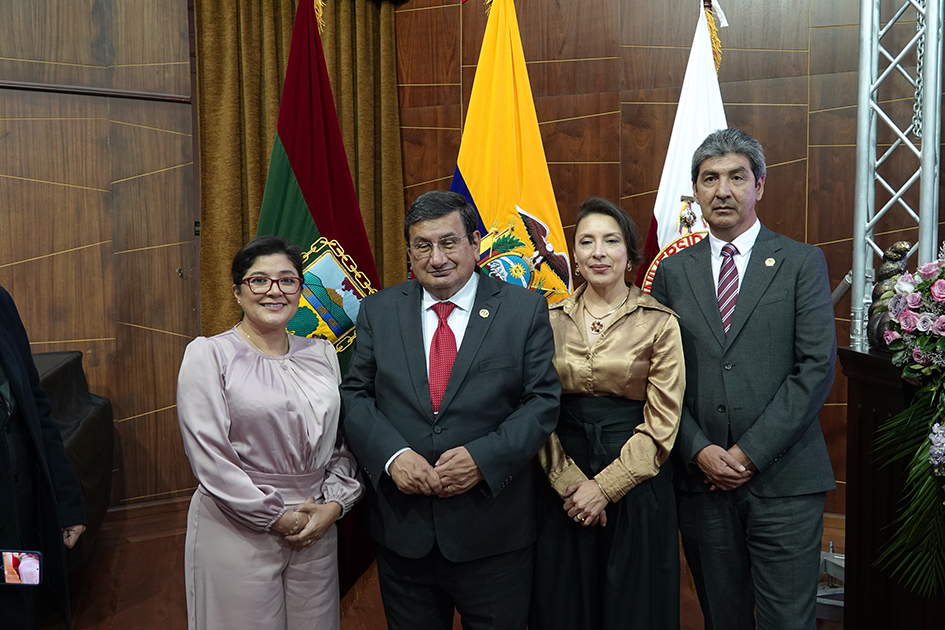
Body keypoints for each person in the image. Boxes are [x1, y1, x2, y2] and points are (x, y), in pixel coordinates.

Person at [340, 190, 561, 630]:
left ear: (474, 243)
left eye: (449, 242)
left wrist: (483, 460)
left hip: (493, 534)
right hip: (404, 534)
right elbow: (354, 395)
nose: (437, 257)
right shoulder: (378, 311)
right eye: (423, 245)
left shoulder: (522, 310)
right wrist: (392, 456)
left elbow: (541, 402)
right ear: (409, 252)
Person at [650, 128, 836, 629]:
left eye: (736, 177)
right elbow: (661, 378)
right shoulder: (672, 271)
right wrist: (697, 449)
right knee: (722, 618)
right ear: (696, 192)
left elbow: (815, 369)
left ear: (760, 186)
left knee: (786, 621)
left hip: (785, 481)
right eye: (709, 179)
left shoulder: (801, 262)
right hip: (702, 481)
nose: (722, 190)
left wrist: (749, 452)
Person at [177, 235, 363, 630]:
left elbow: (339, 446)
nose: (274, 291)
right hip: (237, 524)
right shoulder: (209, 354)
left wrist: (334, 506)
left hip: (315, 526)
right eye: (259, 280)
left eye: (288, 280)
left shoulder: (322, 354)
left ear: (300, 288)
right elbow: (210, 456)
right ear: (237, 291)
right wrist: (277, 517)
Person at [529, 197, 685, 630]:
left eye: (611, 241)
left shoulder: (660, 322)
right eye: (586, 242)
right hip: (560, 481)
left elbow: (662, 423)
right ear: (573, 257)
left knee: (633, 609)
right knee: (562, 606)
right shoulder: (543, 320)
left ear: (630, 254)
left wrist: (604, 488)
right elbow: (533, 410)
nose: (598, 251)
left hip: (637, 481)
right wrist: (571, 484)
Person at [0, 285, 87, 628]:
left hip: (18, 507)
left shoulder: (1, 300)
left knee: (21, 606)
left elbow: (35, 404)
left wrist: (67, 502)